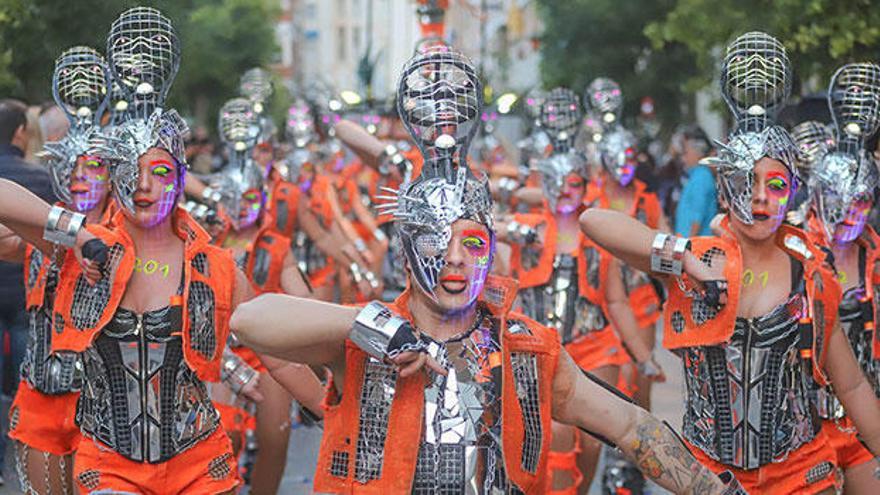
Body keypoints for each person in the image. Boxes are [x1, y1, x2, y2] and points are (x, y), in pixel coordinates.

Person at [231, 47, 742, 495]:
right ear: (407, 249)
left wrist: (709, 489)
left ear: (491, 248)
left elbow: (633, 427)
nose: (455, 257)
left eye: (471, 241)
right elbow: (250, 321)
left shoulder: (528, 352)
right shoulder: (364, 343)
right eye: (435, 237)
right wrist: (367, 327)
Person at [580, 32, 880, 494]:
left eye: (776, 185)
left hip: (800, 474)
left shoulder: (812, 277)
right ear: (722, 187)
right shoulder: (696, 259)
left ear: (793, 192)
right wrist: (682, 258)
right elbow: (595, 221)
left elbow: (854, 387)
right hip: (707, 477)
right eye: (745, 180)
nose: (760, 197)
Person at [0, 45, 118, 495]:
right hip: (47, 400)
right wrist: (75, 230)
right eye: (69, 167)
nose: (79, 177)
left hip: (116, 413)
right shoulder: (52, 234)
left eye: (94, 167)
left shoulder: (128, 238)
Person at [804, 63, 880, 494]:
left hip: (866, 416)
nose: (853, 211)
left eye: (863, 200)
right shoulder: (794, 253)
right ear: (820, 194)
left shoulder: (875, 254)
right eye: (842, 199)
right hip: (808, 428)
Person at [0, 98, 57, 484]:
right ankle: (25, 457)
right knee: (29, 386)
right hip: (22, 295)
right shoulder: (39, 177)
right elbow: (53, 239)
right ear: (22, 132)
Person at [671, 125, 717, 237]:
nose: (683, 158)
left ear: (699, 152)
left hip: (694, 247)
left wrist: (687, 247)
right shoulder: (698, 175)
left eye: (685, 152)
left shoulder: (702, 177)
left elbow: (697, 218)